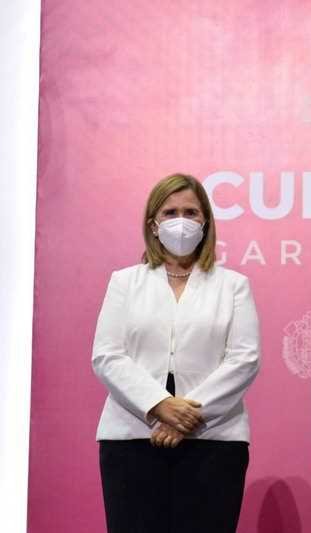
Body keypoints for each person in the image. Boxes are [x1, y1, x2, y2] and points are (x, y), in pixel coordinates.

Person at [92, 173, 261, 533]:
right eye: (170, 213)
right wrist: (159, 404)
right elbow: (107, 355)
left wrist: (185, 416)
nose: (181, 221)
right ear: (153, 224)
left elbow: (244, 359)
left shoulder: (233, 286)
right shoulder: (124, 282)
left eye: (191, 212)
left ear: (206, 222)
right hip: (131, 439)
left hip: (214, 441)